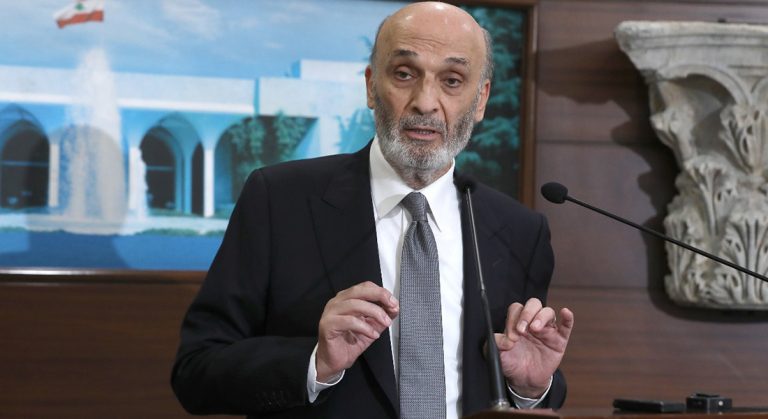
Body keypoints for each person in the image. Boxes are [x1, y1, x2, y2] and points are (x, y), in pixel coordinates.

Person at [171, 2, 574, 418]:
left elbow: (528, 376)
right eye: (404, 74)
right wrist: (314, 364)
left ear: (480, 99)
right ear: (370, 86)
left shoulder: (518, 231)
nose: (425, 103)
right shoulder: (279, 200)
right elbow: (196, 371)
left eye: (452, 81)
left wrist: (529, 388)